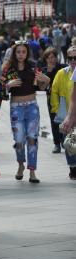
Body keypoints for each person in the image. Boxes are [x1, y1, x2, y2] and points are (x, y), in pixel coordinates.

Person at [0, 41, 50, 183]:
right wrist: (8, 85)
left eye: (23, 52)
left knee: (32, 139)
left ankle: (32, 171)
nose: (21, 55)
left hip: (32, 106)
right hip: (16, 107)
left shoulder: (33, 67)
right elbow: (0, 90)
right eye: (18, 52)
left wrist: (46, 80)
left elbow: (41, 88)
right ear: (14, 53)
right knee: (18, 139)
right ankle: (20, 164)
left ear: (27, 53)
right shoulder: (8, 69)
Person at [50, 46, 76, 179]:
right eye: (70, 57)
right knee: (68, 142)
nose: (72, 60)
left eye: (75, 57)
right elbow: (54, 91)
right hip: (67, 113)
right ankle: (72, 167)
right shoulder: (62, 73)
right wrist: (56, 109)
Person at [41, 47, 66, 153]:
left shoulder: (63, 68)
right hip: (51, 99)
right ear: (46, 59)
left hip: (63, 98)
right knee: (54, 121)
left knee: (64, 120)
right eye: (49, 58)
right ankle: (57, 144)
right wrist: (48, 73)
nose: (51, 60)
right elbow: (42, 87)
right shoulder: (44, 70)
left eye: (53, 57)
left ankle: (64, 141)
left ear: (56, 58)